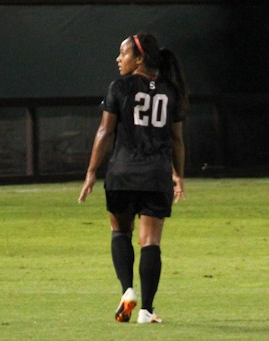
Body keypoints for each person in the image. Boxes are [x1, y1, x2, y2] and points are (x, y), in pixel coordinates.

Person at [78, 33, 188, 324]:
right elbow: (177, 140)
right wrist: (179, 175)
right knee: (150, 241)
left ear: (139, 58)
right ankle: (147, 311)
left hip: (122, 174)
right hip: (156, 175)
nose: (118, 59)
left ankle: (127, 291)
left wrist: (91, 172)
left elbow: (105, 132)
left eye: (123, 54)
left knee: (120, 232)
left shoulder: (119, 87)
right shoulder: (170, 90)